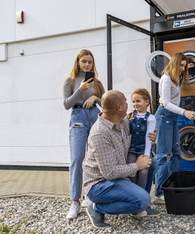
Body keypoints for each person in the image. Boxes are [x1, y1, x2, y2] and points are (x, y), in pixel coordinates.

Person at [82, 90, 160, 229]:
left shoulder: (123, 122)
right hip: (100, 184)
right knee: (142, 200)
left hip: (118, 175)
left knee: (151, 162)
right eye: (125, 101)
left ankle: (139, 207)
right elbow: (109, 173)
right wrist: (136, 166)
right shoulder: (100, 133)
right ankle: (97, 208)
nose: (128, 104)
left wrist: (150, 137)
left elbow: (138, 138)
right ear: (119, 107)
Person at [63, 49, 105, 219]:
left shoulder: (97, 82)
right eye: (84, 61)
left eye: (90, 62)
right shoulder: (70, 81)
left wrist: (95, 98)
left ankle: (90, 196)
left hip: (94, 116)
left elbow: (106, 103)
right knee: (77, 159)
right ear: (78, 62)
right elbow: (66, 104)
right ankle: (75, 201)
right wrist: (80, 90)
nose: (87, 64)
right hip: (78, 118)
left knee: (95, 159)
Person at [154, 52, 195, 200]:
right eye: (181, 65)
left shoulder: (176, 78)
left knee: (176, 154)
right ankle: (160, 191)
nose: (183, 69)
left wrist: (192, 63)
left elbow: (191, 66)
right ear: (174, 63)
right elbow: (165, 102)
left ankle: (173, 185)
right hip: (164, 116)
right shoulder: (166, 78)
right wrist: (184, 112)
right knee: (165, 155)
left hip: (171, 117)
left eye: (185, 66)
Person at [125, 88, 156, 216]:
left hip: (143, 149)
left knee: (143, 172)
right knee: (132, 171)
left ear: (147, 101)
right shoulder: (130, 116)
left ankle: (141, 203)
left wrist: (147, 155)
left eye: (138, 101)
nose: (135, 104)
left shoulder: (151, 118)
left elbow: (149, 138)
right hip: (132, 149)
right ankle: (134, 200)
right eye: (133, 101)